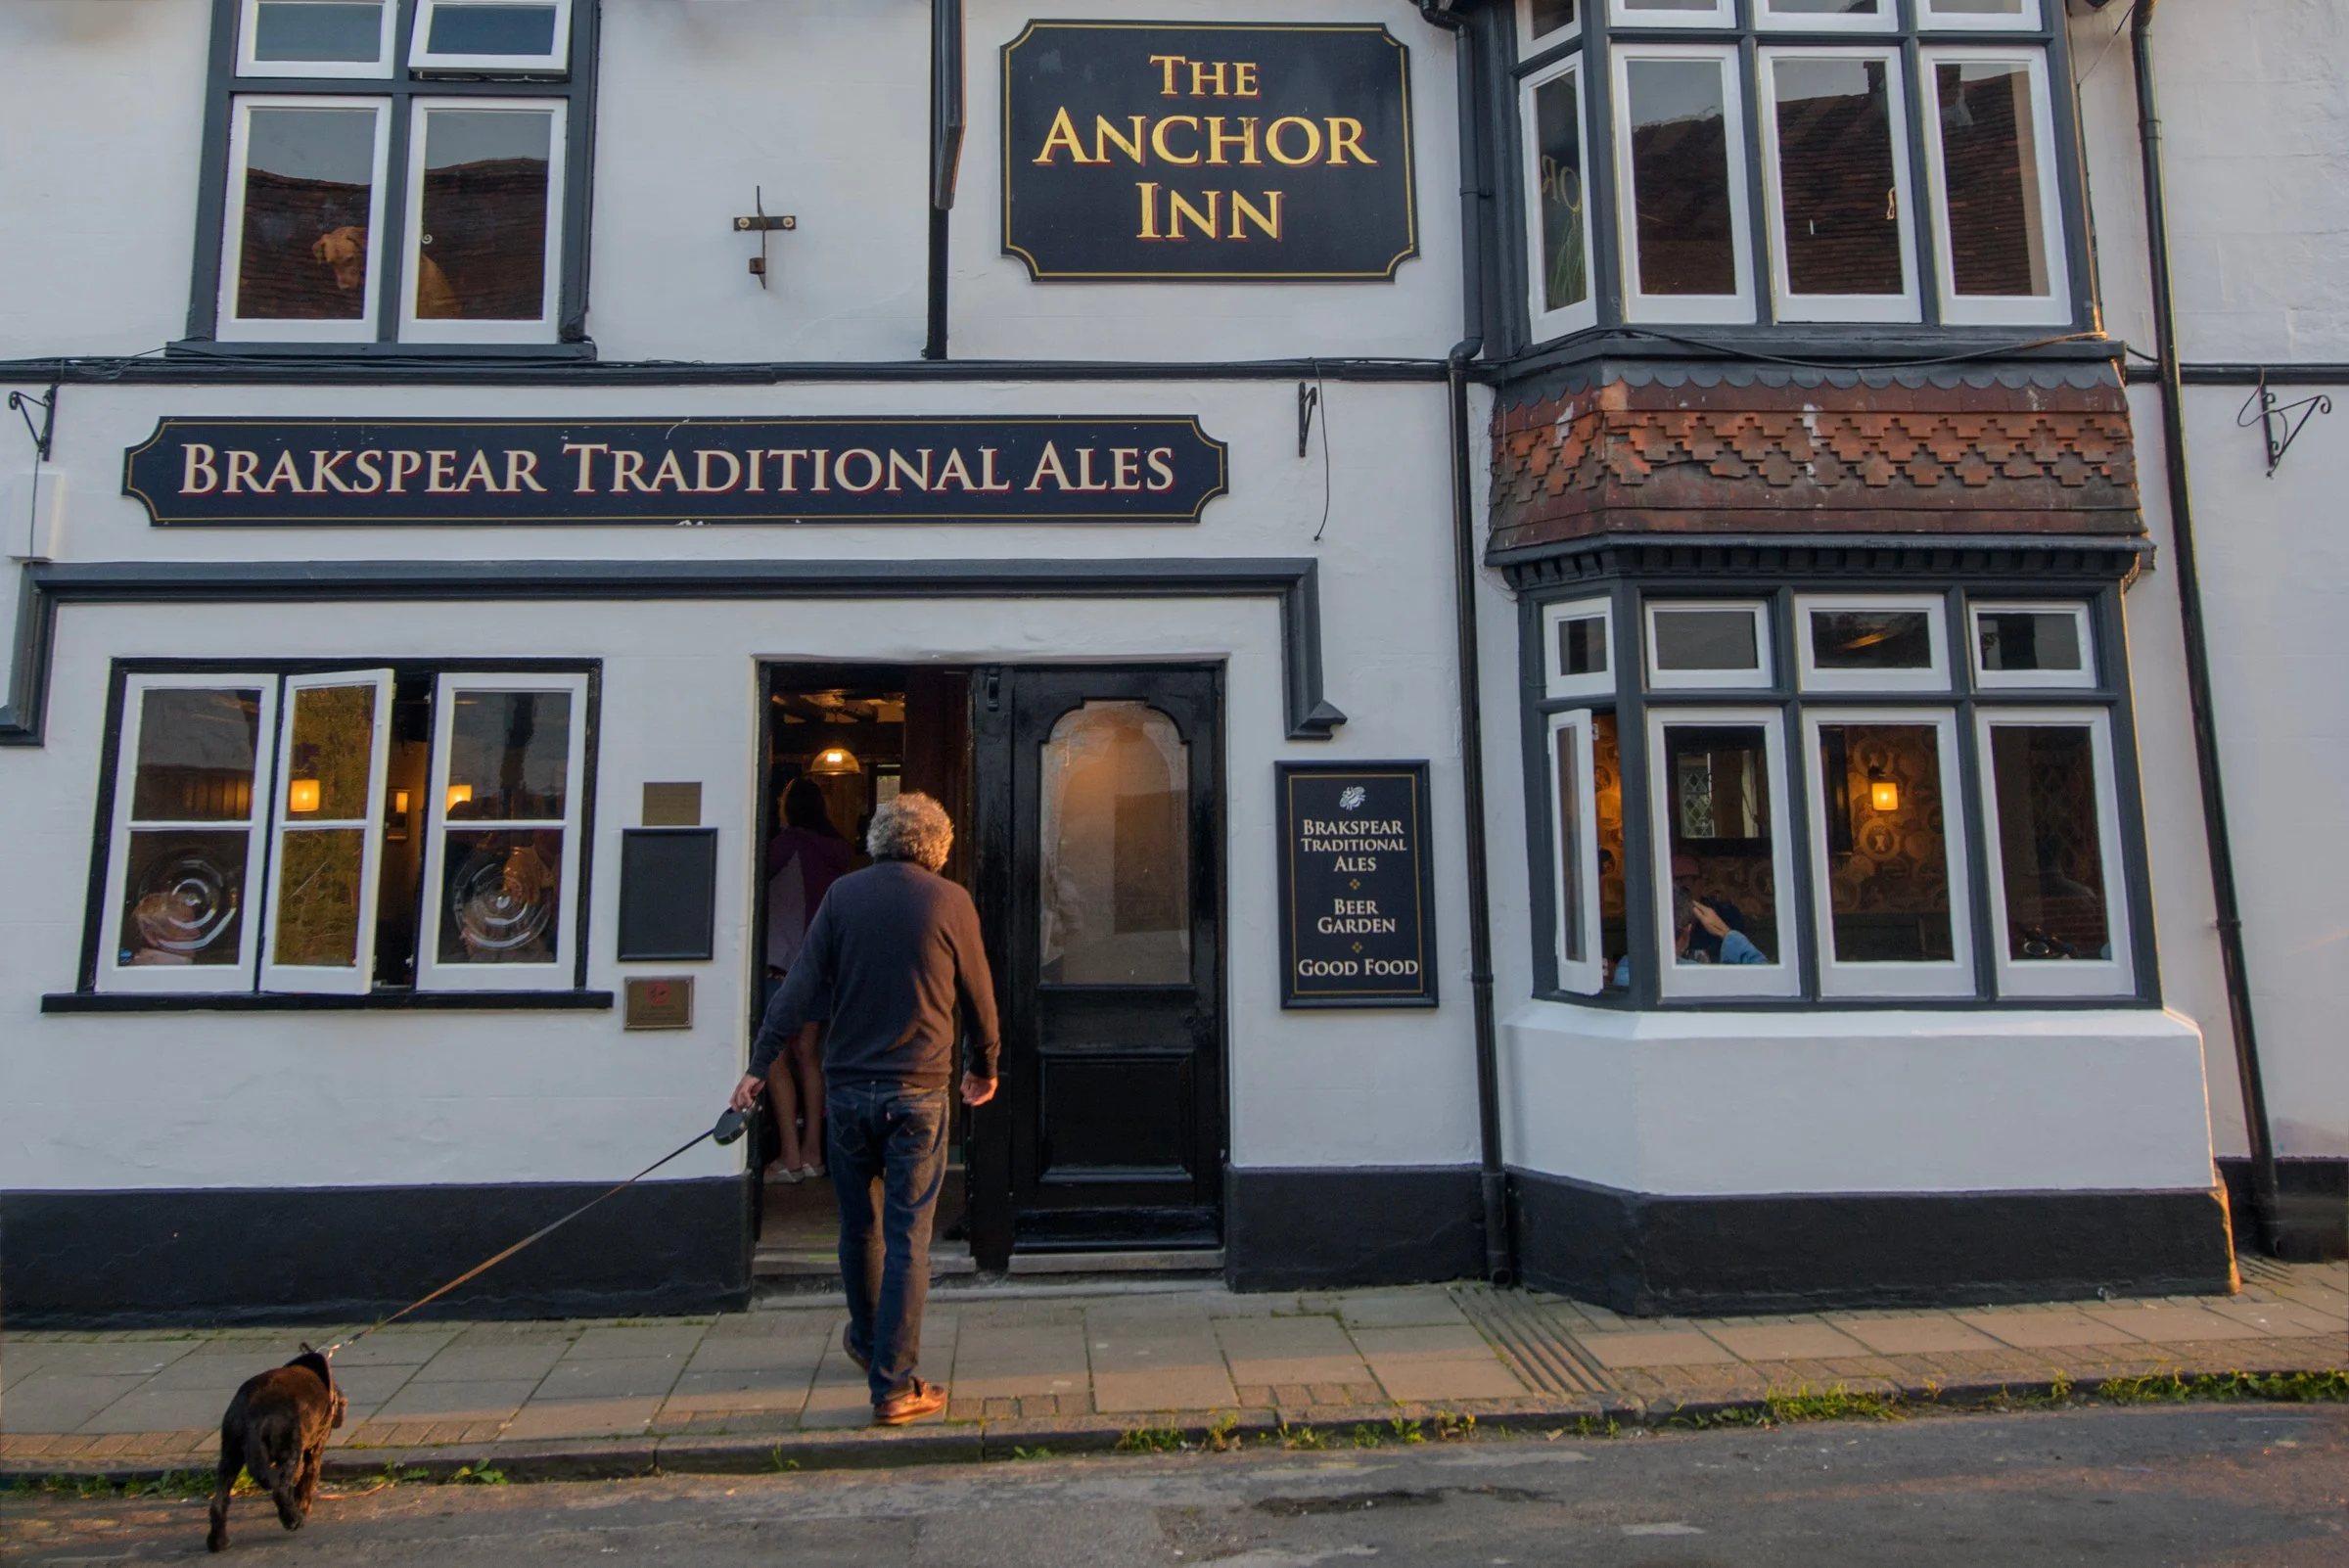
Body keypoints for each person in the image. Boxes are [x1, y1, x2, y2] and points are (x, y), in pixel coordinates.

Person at [730, 792, 998, 1427]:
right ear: (938, 845)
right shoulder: (950, 901)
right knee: (908, 1238)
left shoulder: (842, 898)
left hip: (848, 1093)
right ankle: (895, 1385)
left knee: (857, 1230)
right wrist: (983, 1066)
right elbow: (979, 996)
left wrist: (758, 1066)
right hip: (919, 1092)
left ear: (878, 838)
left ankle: (867, 1338)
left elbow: (797, 988)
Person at [762, 778, 854, 1183]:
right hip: (820, 965)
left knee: (774, 1058)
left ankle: (790, 1157)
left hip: (780, 965)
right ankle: (815, 1153)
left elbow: (753, 877)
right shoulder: (836, 852)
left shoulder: (786, 846)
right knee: (809, 1056)